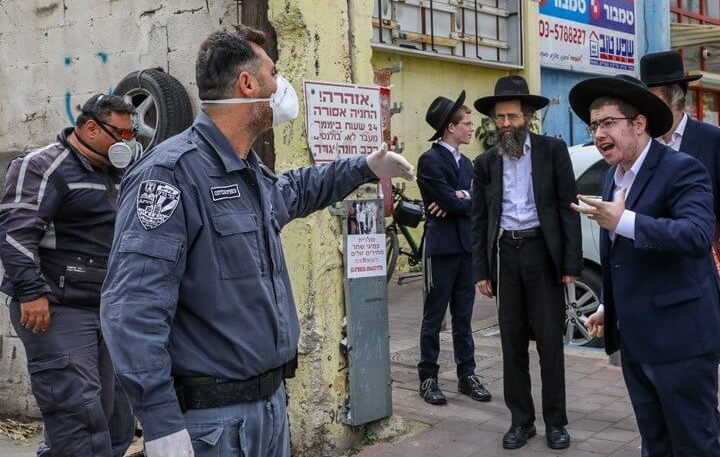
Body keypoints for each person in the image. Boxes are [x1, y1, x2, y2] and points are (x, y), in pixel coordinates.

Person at [99, 24, 414, 457]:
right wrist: (161, 424)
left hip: (268, 410)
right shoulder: (171, 174)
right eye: (273, 72)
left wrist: (363, 167)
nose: (280, 84)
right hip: (213, 424)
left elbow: (296, 190)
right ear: (247, 84)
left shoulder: (246, 170)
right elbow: (130, 310)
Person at [571, 74, 720, 456]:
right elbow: (621, 258)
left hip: (681, 341)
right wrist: (608, 305)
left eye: (608, 122)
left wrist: (624, 221)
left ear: (639, 123)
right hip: (637, 341)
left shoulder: (682, 169)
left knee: (694, 444)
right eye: (594, 126)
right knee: (654, 444)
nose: (599, 134)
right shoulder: (612, 177)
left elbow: (696, 235)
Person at [0, 94, 137, 456]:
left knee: (114, 418)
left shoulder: (118, 175)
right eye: (121, 134)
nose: (128, 143)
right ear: (91, 128)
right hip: (58, 307)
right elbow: (15, 234)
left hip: (106, 307)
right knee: (78, 413)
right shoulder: (43, 167)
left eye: (132, 135)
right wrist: (31, 293)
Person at [471, 76, 582, 450]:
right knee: (512, 342)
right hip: (506, 255)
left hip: (542, 254)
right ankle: (521, 421)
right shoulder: (485, 163)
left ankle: (556, 423)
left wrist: (570, 264)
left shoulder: (552, 152)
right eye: (499, 118)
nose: (505, 124)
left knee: (550, 343)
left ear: (528, 117)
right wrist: (481, 270)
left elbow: (568, 209)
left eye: (512, 117)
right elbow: (478, 221)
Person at [640, 50, 720, 290]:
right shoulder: (644, 142)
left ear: (675, 98)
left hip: (704, 255)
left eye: (653, 99)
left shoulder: (713, 139)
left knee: (708, 312)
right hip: (657, 253)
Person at [415, 91, 491, 406]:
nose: (471, 128)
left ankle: (467, 375)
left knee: (464, 318)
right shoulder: (430, 160)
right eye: (466, 123)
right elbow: (447, 201)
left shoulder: (469, 163)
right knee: (434, 317)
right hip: (441, 249)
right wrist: (459, 199)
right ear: (450, 127)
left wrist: (463, 198)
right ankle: (428, 377)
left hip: (466, 249)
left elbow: (481, 201)